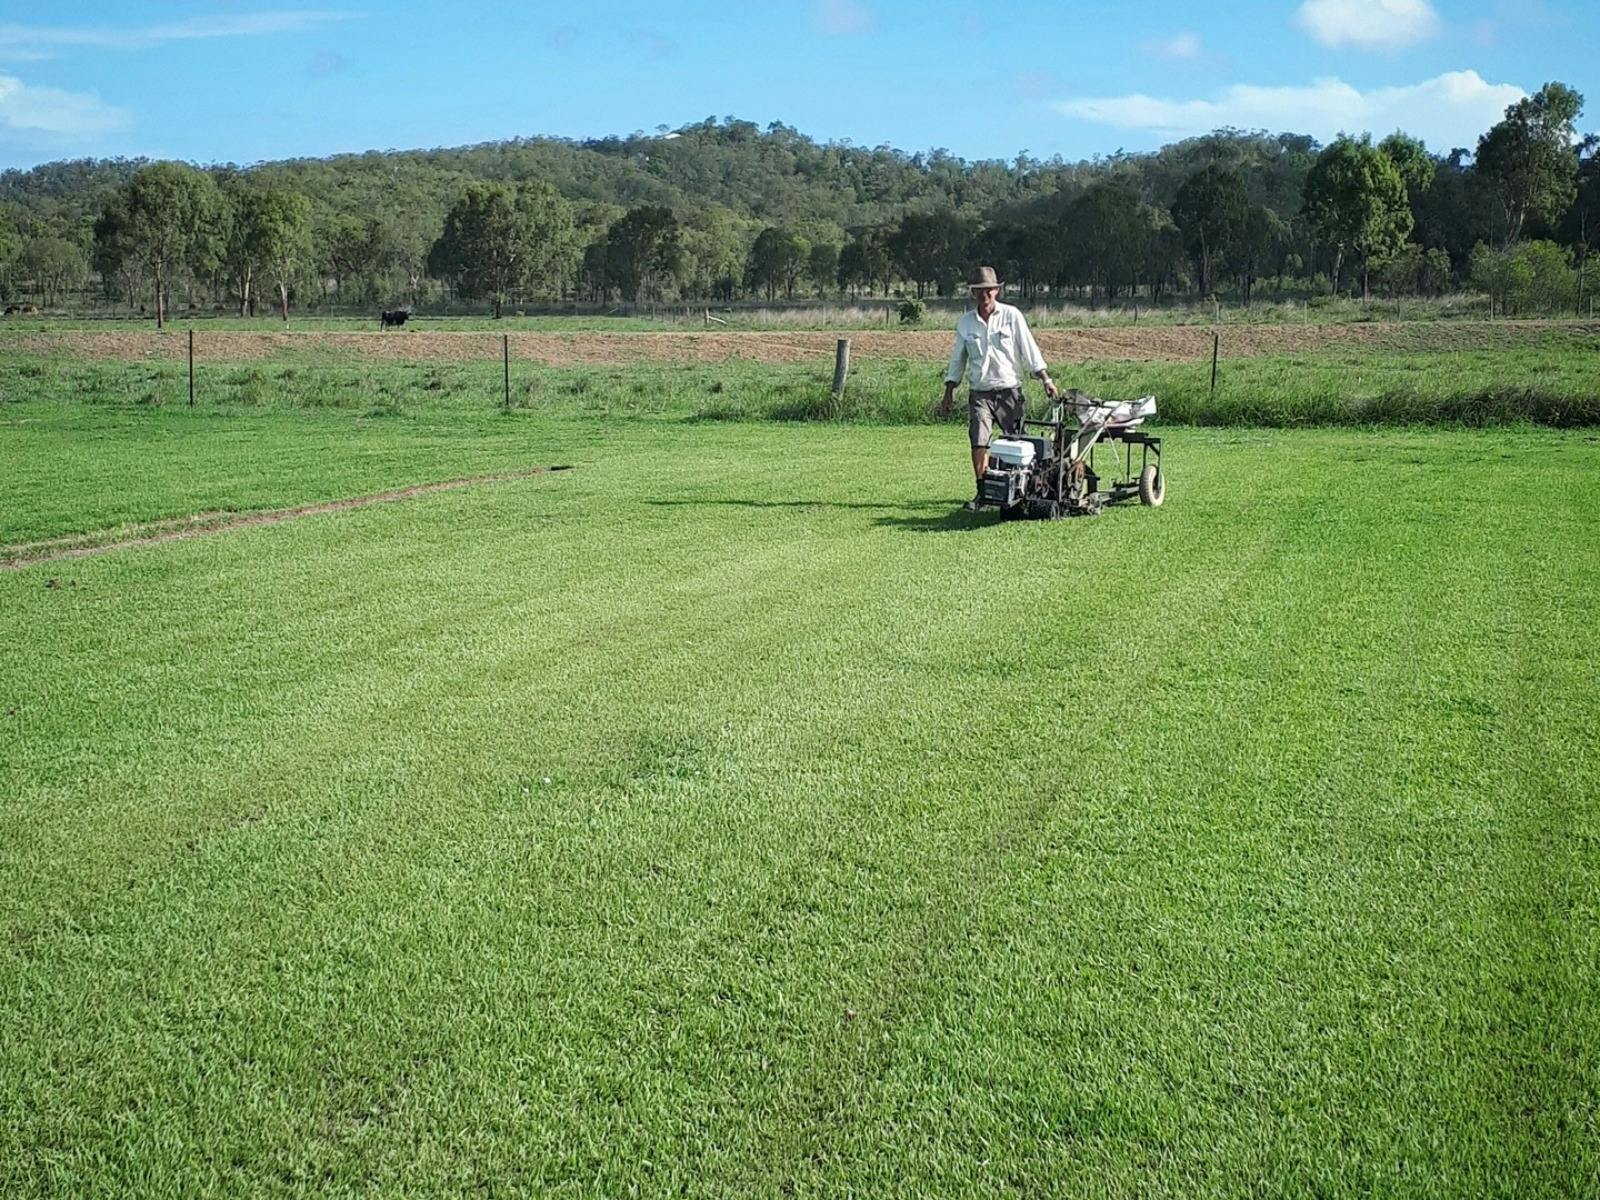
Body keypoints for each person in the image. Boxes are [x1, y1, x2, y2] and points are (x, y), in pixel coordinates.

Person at [940, 266, 1058, 511]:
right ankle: (983, 492)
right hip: (980, 392)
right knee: (979, 441)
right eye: (979, 290)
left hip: (1008, 390)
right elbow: (957, 359)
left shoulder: (1011, 316)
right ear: (973, 293)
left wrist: (1045, 379)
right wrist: (949, 391)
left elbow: (1029, 348)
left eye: (989, 290)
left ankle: (1021, 491)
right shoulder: (966, 323)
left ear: (997, 290)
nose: (985, 294)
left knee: (1017, 442)